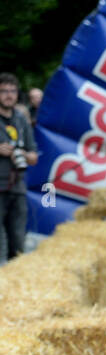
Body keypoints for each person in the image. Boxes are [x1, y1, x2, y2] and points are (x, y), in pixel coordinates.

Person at [0, 72, 37, 260]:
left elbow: (34, 156)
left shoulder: (21, 120)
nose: (9, 95)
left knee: (18, 242)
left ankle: (15, 286)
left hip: (17, 188)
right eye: (4, 91)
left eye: (12, 91)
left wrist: (23, 154)